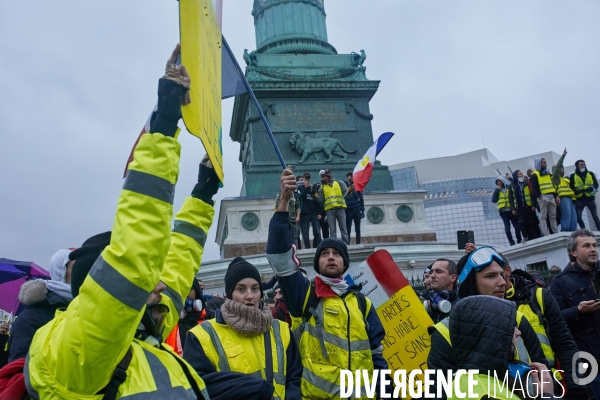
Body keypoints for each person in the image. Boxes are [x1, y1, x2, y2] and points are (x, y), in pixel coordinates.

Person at [25, 45, 219, 399]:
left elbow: (176, 263)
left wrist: (203, 195)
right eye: (146, 281)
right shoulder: (83, 346)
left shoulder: (147, 334)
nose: (159, 287)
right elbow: (138, 244)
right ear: (104, 289)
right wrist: (163, 124)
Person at [266, 168, 389, 399]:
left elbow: (376, 355)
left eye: (336, 253)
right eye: (324, 254)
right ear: (317, 263)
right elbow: (279, 256)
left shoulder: (363, 304)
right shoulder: (304, 294)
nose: (330, 257)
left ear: (344, 265)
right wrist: (284, 201)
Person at [428, 246, 547, 389]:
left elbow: (542, 374)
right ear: (470, 284)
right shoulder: (443, 332)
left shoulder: (518, 319)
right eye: (490, 276)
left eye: (501, 275)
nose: (502, 282)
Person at [183, 257, 302, 400]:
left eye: (255, 288)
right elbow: (198, 386)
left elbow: (294, 378)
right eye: (241, 289)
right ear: (229, 294)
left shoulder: (281, 330)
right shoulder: (201, 336)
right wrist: (255, 389)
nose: (250, 296)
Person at [503, 255, 587, 398]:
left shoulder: (538, 296)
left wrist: (577, 388)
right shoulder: (480, 309)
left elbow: (565, 343)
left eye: (498, 274)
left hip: (553, 384)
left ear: (507, 271)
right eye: (489, 276)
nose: (497, 281)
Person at [446, 296, 558, 400]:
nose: (518, 332)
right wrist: (547, 396)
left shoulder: (470, 381)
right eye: (509, 328)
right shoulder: (488, 395)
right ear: (491, 334)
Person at [550, 229, 600, 398]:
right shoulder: (561, 282)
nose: (593, 249)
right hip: (588, 359)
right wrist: (578, 310)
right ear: (573, 252)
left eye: (594, 245)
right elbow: (556, 319)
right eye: (586, 246)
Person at [7, 248, 74, 362]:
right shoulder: (29, 319)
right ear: (61, 271)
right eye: (76, 266)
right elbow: (20, 369)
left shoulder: (84, 311)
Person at [317, 169, 350, 244]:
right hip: (330, 210)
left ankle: (346, 244)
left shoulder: (339, 183)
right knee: (332, 230)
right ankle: (334, 245)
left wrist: (349, 191)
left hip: (340, 208)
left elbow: (346, 196)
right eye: (322, 177)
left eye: (323, 176)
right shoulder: (322, 188)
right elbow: (321, 201)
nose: (322, 178)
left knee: (343, 228)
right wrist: (316, 196)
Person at [422, 258, 460, 323]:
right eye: (431, 272)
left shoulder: (464, 305)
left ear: (453, 278)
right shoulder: (424, 301)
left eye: (438, 271)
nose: (432, 276)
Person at [530, 158, 560, 236]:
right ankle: (545, 232)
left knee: (553, 215)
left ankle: (555, 231)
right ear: (539, 163)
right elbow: (534, 188)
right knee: (543, 216)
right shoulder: (535, 174)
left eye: (545, 162)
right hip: (543, 197)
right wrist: (540, 197)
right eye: (543, 162)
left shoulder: (548, 173)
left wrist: (556, 195)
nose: (545, 164)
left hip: (551, 196)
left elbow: (553, 185)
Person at [551, 148, 578, 232]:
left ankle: (573, 231)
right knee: (567, 215)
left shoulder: (564, 179)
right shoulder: (555, 178)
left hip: (570, 199)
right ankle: (565, 230)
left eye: (562, 169)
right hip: (563, 198)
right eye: (560, 169)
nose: (562, 170)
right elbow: (557, 167)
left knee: (573, 217)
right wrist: (563, 156)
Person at [511, 169, 542, 241]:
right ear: (516, 176)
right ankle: (526, 237)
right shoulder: (513, 186)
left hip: (528, 206)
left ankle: (535, 237)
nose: (521, 175)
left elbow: (532, 194)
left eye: (522, 174)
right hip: (519, 208)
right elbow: (511, 198)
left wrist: (534, 205)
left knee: (531, 222)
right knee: (522, 223)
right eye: (519, 174)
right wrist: (513, 208)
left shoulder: (527, 183)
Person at [570, 159, 600, 230]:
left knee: (595, 216)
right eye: (581, 165)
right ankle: (584, 230)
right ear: (577, 166)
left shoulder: (590, 174)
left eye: (584, 164)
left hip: (590, 198)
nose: (583, 166)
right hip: (579, 199)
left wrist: (592, 189)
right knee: (578, 217)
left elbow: (596, 184)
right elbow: (571, 186)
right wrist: (576, 191)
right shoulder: (573, 176)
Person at [492, 176, 522, 245]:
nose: (499, 183)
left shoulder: (509, 188)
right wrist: (497, 190)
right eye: (497, 182)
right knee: (507, 228)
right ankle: (511, 242)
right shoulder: (497, 190)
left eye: (500, 181)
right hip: (503, 211)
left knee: (516, 226)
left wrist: (513, 208)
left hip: (511, 210)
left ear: (503, 181)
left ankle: (519, 240)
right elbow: (494, 200)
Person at [298, 172, 322, 249]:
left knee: (317, 232)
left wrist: (319, 212)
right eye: (305, 178)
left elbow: (316, 201)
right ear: (303, 179)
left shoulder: (313, 188)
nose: (307, 180)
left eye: (308, 179)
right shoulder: (300, 188)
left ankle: (317, 247)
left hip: (314, 213)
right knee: (305, 233)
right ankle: (307, 248)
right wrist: (305, 187)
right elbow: (302, 197)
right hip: (304, 213)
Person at [178, 279, 204, 348]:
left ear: (196, 292)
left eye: (187, 289)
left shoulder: (206, 317)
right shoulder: (168, 321)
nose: (182, 293)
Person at [275, 181, 301, 249]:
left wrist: (298, 216)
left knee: (295, 237)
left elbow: (298, 206)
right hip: (285, 220)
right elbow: (278, 206)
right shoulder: (280, 195)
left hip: (293, 220)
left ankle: (295, 252)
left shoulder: (295, 195)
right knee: (285, 237)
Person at [345, 172, 365, 244]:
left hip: (356, 210)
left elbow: (361, 200)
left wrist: (362, 210)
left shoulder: (357, 187)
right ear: (347, 178)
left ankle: (358, 243)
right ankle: (347, 243)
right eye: (349, 177)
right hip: (348, 210)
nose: (350, 179)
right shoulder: (345, 187)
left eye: (351, 177)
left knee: (357, 228)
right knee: (348, 229)